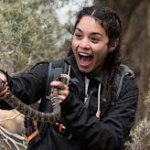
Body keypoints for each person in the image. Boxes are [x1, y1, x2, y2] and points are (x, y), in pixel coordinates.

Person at [0, 5, 138, 150]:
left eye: (94, 39)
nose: (84, 44)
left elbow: (111, 141)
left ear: (112, 44)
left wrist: (70, 104)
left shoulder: (124, 85)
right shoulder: (54, 72)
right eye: (78, 36)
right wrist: (4, 81)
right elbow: (21, 88)